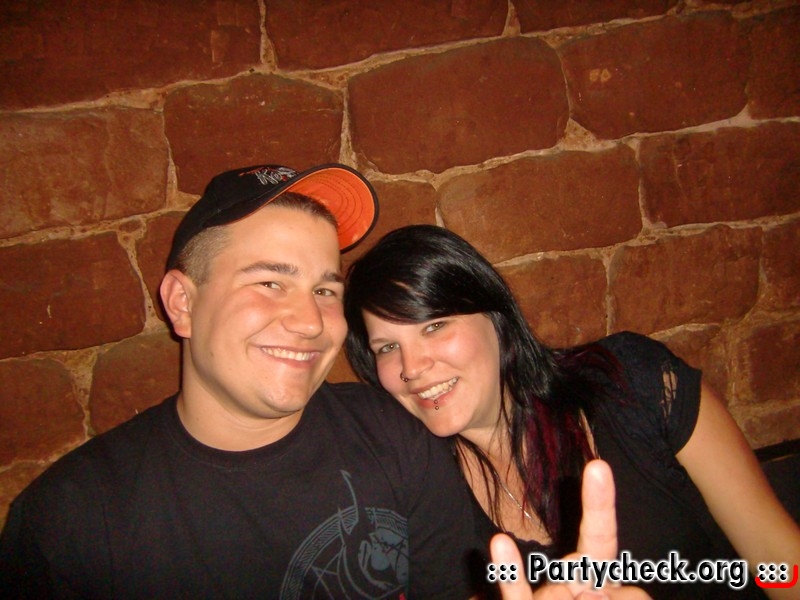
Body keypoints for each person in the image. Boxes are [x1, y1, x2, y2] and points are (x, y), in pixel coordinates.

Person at [0, 164, 488, 599]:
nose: (310, 322)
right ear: (182, 304)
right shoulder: (73, 519)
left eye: (324, 290)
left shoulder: (394, 435)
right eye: (270, 283)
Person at [344, 224, 800, 600]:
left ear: (497, 319)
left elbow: (779, 560)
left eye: (434, 326)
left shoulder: (633, 382)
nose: (411, 368)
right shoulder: (422, 498)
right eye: (387, 347)